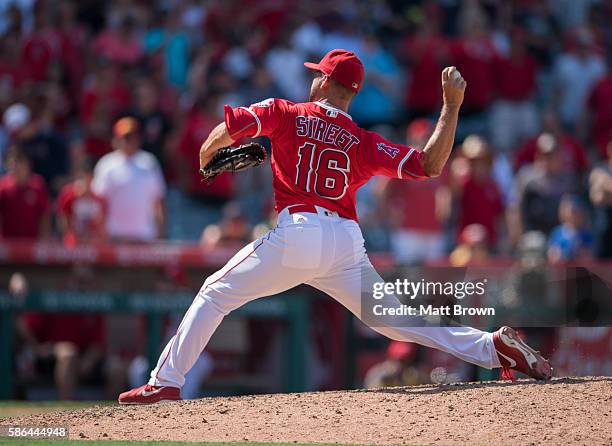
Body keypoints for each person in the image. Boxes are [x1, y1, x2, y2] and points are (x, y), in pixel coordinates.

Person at [119, 49, 552, 404]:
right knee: (398, 321)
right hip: (345, 242)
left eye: (316, 74)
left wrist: (203, 158)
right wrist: (451, 107)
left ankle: (165, 381)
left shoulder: (286, 111)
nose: (313, 79)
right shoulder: (364, 141)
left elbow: (225, 131)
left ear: (325, 82)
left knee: (215, 292)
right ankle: (494, 347)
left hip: (299, 230)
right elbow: (431, 164)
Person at [92, 117, 166, 242]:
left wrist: (160, 233)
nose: (129, 141)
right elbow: (98, 202)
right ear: (115, 139)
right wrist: (100, 233)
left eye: (132, 137)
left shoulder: (149, 162)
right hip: (114, 235)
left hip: (144, 236)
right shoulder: (106, 164)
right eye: (125, 137)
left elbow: (158, 201)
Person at [0, 147, 50, 239]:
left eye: (20, 163)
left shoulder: (37, 185)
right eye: (12, 164)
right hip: (8, 245)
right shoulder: (2, 187)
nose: (16, 167)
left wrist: (44, 241)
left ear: (28, 165)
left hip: (32, 244)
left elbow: (44, 216)